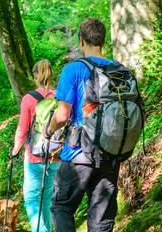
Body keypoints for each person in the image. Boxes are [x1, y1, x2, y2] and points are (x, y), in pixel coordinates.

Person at [42, 18, 120, 232]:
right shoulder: (119, 70)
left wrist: (48, 131)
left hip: (79, 153)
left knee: (62, 207)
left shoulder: (73, 70)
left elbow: (61, 116)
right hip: (111, 154)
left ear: (81, 41)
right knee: (101, 219)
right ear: (103, 41)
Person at [10, 59, 61, 232]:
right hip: (57, 154)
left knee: (32, 199)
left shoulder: (29, 99)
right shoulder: (60, 95)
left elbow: (23, 129)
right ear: (51, 74)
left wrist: (15, 149)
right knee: (47, 198)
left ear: (36, 75)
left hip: (34, 156)